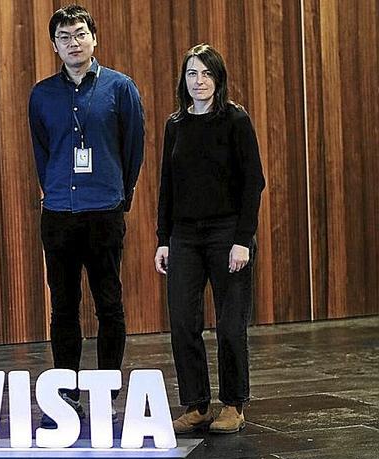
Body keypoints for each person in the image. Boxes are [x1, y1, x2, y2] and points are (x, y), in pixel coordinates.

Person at [28, 5, 145, 426]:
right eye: (64, 37)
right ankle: (66, 393)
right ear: (55, 45)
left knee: (109, 304)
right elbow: (43, 152)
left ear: (94, 38)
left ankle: (109, 391)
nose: (73, 43)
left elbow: (133, 149)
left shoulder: (120, 87)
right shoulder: (42, 94)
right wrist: (56, 189)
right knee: (63, 307)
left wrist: (120, 195)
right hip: (59, 212)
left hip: (104, 212)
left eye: (79, 34)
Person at [155, 44, 265, 434]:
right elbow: (167, 185)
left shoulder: (235, 120)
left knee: (231, 325)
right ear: (183, 80)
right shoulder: (175, 125)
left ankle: (233, 403)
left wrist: (243, 238)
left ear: (218, 79)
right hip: (184, 235)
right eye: (191, 74)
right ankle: (197, 404)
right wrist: (162, 238)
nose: (198, 81)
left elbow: (254, 182)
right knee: (184, 322)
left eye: (206, 74)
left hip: (227, 233)